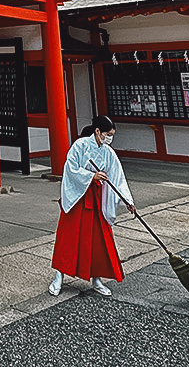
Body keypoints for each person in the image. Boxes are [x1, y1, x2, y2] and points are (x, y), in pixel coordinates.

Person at [48, 115, 134, 297]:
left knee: (99, 240)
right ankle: (59, 276)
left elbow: (117, 177)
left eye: (111, 134)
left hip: (97, 199)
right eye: (107, 134)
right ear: (97, 131)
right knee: (68, 237)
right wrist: (90, 176)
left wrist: (128, 201)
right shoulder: (80, 146)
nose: (109, 138)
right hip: (78, 197)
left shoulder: (108, 152)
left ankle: (97, 278)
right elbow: (70, 168)